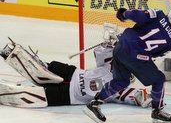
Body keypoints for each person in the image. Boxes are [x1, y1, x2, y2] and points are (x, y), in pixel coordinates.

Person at [83, 7, 171, 123]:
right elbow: (156, 54)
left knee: (121, 81)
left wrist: (123, 14)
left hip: (120, 46)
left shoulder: (158, 14)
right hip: (136, 55)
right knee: (159, 79)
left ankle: (94, 103)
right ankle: (157, 111)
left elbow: (138, 15)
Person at [0, 36, 151, 108]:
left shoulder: (119, 89)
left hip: (69, 95)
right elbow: (101, 53)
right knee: (41, 67)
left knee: (34, 95)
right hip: (71, 73)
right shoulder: (109, 68)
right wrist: (109, 43)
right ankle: (12, 53)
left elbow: (134, 96)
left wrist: (148, 98)